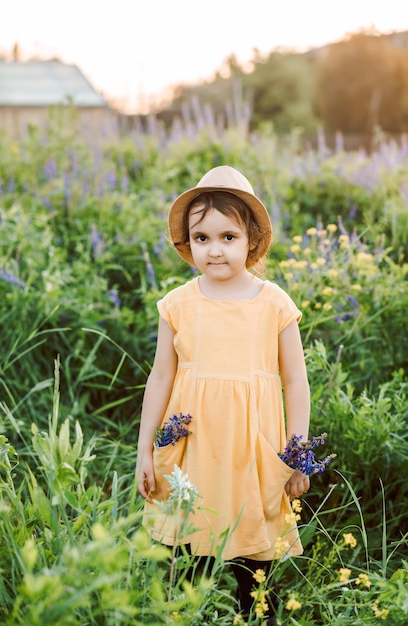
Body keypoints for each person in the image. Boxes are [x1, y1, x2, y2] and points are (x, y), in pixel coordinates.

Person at [136, 165, 311, 622]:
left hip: (252, 450)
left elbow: (296, 381)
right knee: (188, 553)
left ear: (252, 240)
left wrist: (298, 454)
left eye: (228, 237)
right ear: (188, 243)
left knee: (253, 556)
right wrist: (143, 452)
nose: (215, 250)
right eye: (202, 238)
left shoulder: (273, 302)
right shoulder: (177, 304)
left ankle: (253, 614)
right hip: (193, 447)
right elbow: (159, 379)